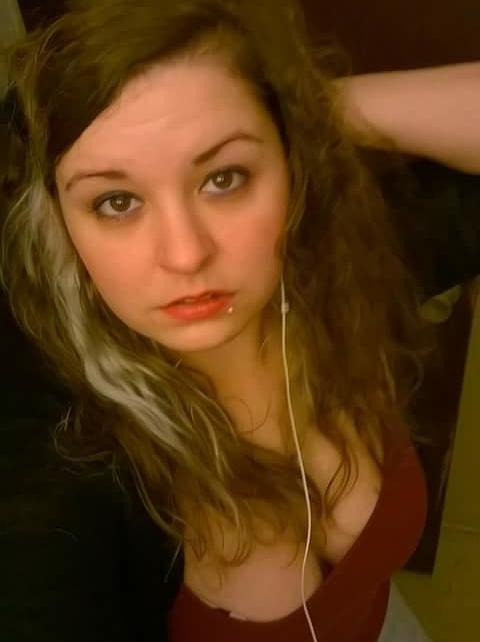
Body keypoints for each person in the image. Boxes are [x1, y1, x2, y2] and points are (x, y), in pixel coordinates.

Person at [1, 0, 479, 640]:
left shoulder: (339, 273)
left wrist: (310, 107)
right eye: (116, 202)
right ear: (59, 223)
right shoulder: (58, 464)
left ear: (291, 164)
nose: (186, 254)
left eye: (224, 177)